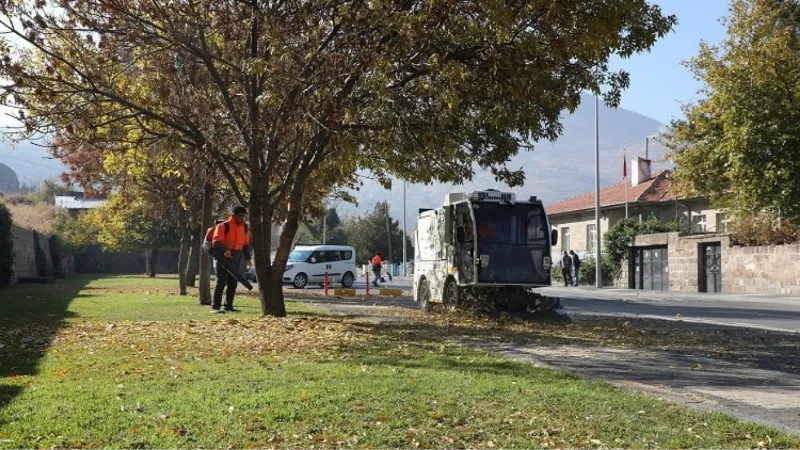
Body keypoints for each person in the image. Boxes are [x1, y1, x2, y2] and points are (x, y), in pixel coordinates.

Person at [210, 206, 252, 313]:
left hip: (236, 257)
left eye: (244, 216)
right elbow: (216, 241)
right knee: (221, 282)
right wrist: (225, 251)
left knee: (233, 283)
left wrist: (248, 258)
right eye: (240, 216)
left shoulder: (244, 227)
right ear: (233, 215)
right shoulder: (224, 226)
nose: (242, 218)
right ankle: (215, 307)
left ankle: (228, 306)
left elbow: (245, 245)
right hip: (223, 256)